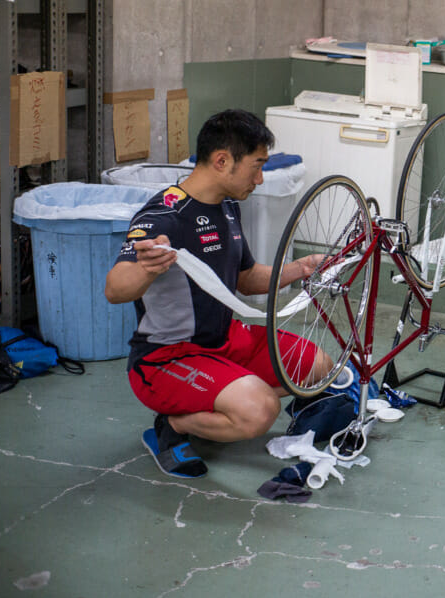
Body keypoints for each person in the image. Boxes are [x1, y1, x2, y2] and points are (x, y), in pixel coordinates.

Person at [105, 109, 330, 478]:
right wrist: (146, 267)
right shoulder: (164, 216)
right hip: (167, 358)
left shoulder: (227, 206)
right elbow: (115, 290)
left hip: (225, 342)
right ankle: (172, 426)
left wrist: (300, 270)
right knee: (260, 410)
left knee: (317, 367)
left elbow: (246, 278)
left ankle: (227, 395)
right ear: (222, 160)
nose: (260, 178)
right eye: (256, 166)